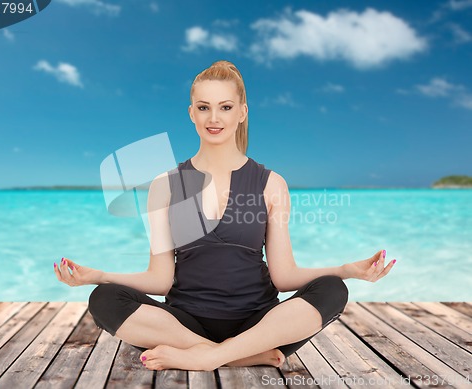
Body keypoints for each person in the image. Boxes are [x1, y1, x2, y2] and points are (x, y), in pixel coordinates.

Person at [54, 60, 396, 372]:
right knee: (103, 298)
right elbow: (160, 281)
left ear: (242, 112)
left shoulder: (271, 184)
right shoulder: (166, 186)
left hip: (258, 323)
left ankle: (210, 356)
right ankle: (240, 355)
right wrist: (97, 274)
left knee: (333, 290)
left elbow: (284, 276)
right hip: (183, 323)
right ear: (191, 113)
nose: (214, 118)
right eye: (204, 108)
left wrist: (347, 270)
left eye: (225, 107)